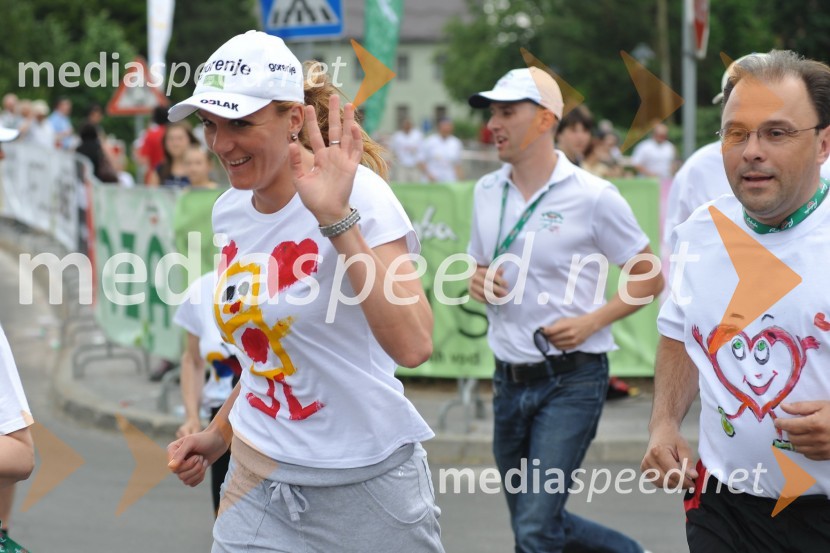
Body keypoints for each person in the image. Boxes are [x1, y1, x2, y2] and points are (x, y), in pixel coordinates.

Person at [165, 30, 443, 553]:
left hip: (365, 487)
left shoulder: (360, 194)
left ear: (294, 118)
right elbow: (268, 354)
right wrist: (218, 434)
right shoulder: (230, 209)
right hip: (256, 478)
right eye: (209, 124)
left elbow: (414, 345)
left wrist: (336, 219)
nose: (220, 144)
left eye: (240, 123)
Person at [467, 66, 662, 553]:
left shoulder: (593, 195)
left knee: (535, 527)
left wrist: (592, 321)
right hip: (507, 380)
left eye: (506, 112)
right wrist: (477, 279)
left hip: (572, 380)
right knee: (535, 522)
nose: (493, 124)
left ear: (545, 119)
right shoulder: (485, 190)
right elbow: (480, 265)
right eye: (492, 113)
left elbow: (650, 275)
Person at [642, 49, 830, 552]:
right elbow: (680, 334)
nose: (751, 151)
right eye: (736, 133)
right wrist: (663, 424)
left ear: (823, 144)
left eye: (776, 133)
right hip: (723, 507)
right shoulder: (700, 231)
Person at [174, 272, 241, 516]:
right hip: (221, 419)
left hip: (269, 418)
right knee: (224, 518)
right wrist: (192, 417)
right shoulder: (201, 290)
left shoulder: (279, 284)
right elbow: (193, 360)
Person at [147, 121, 200, 187]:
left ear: (190, 140)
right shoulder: (159, 170)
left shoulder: (199, 169)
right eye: (171, 139)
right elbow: (151, 192)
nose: (175, 143)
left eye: (180, 138)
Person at [418, 118, 462, 183]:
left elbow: (457, 164)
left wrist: (460, 180)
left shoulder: (456, 143)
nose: (446, 129)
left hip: (449, 180)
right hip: (431, 180)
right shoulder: (429, 141)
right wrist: (429, 175)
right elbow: (420, 161)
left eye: (448, 127)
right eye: (444, 127)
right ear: (439, 127)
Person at [138, 106, 169, 184]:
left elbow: (143, 159)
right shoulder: (174, 134)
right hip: (173, 175)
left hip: (154, 177)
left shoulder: (150, 135)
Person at [389, 118, 423, 183]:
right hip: (402, 166)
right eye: (405, 124)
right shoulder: (397, 136)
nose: (407, 126)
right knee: (402, 183)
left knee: (415, 184)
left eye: (408, 124)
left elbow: (421, 150)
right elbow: (392, 150)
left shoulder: (417, 135)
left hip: (414, 165)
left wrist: (420, 162)